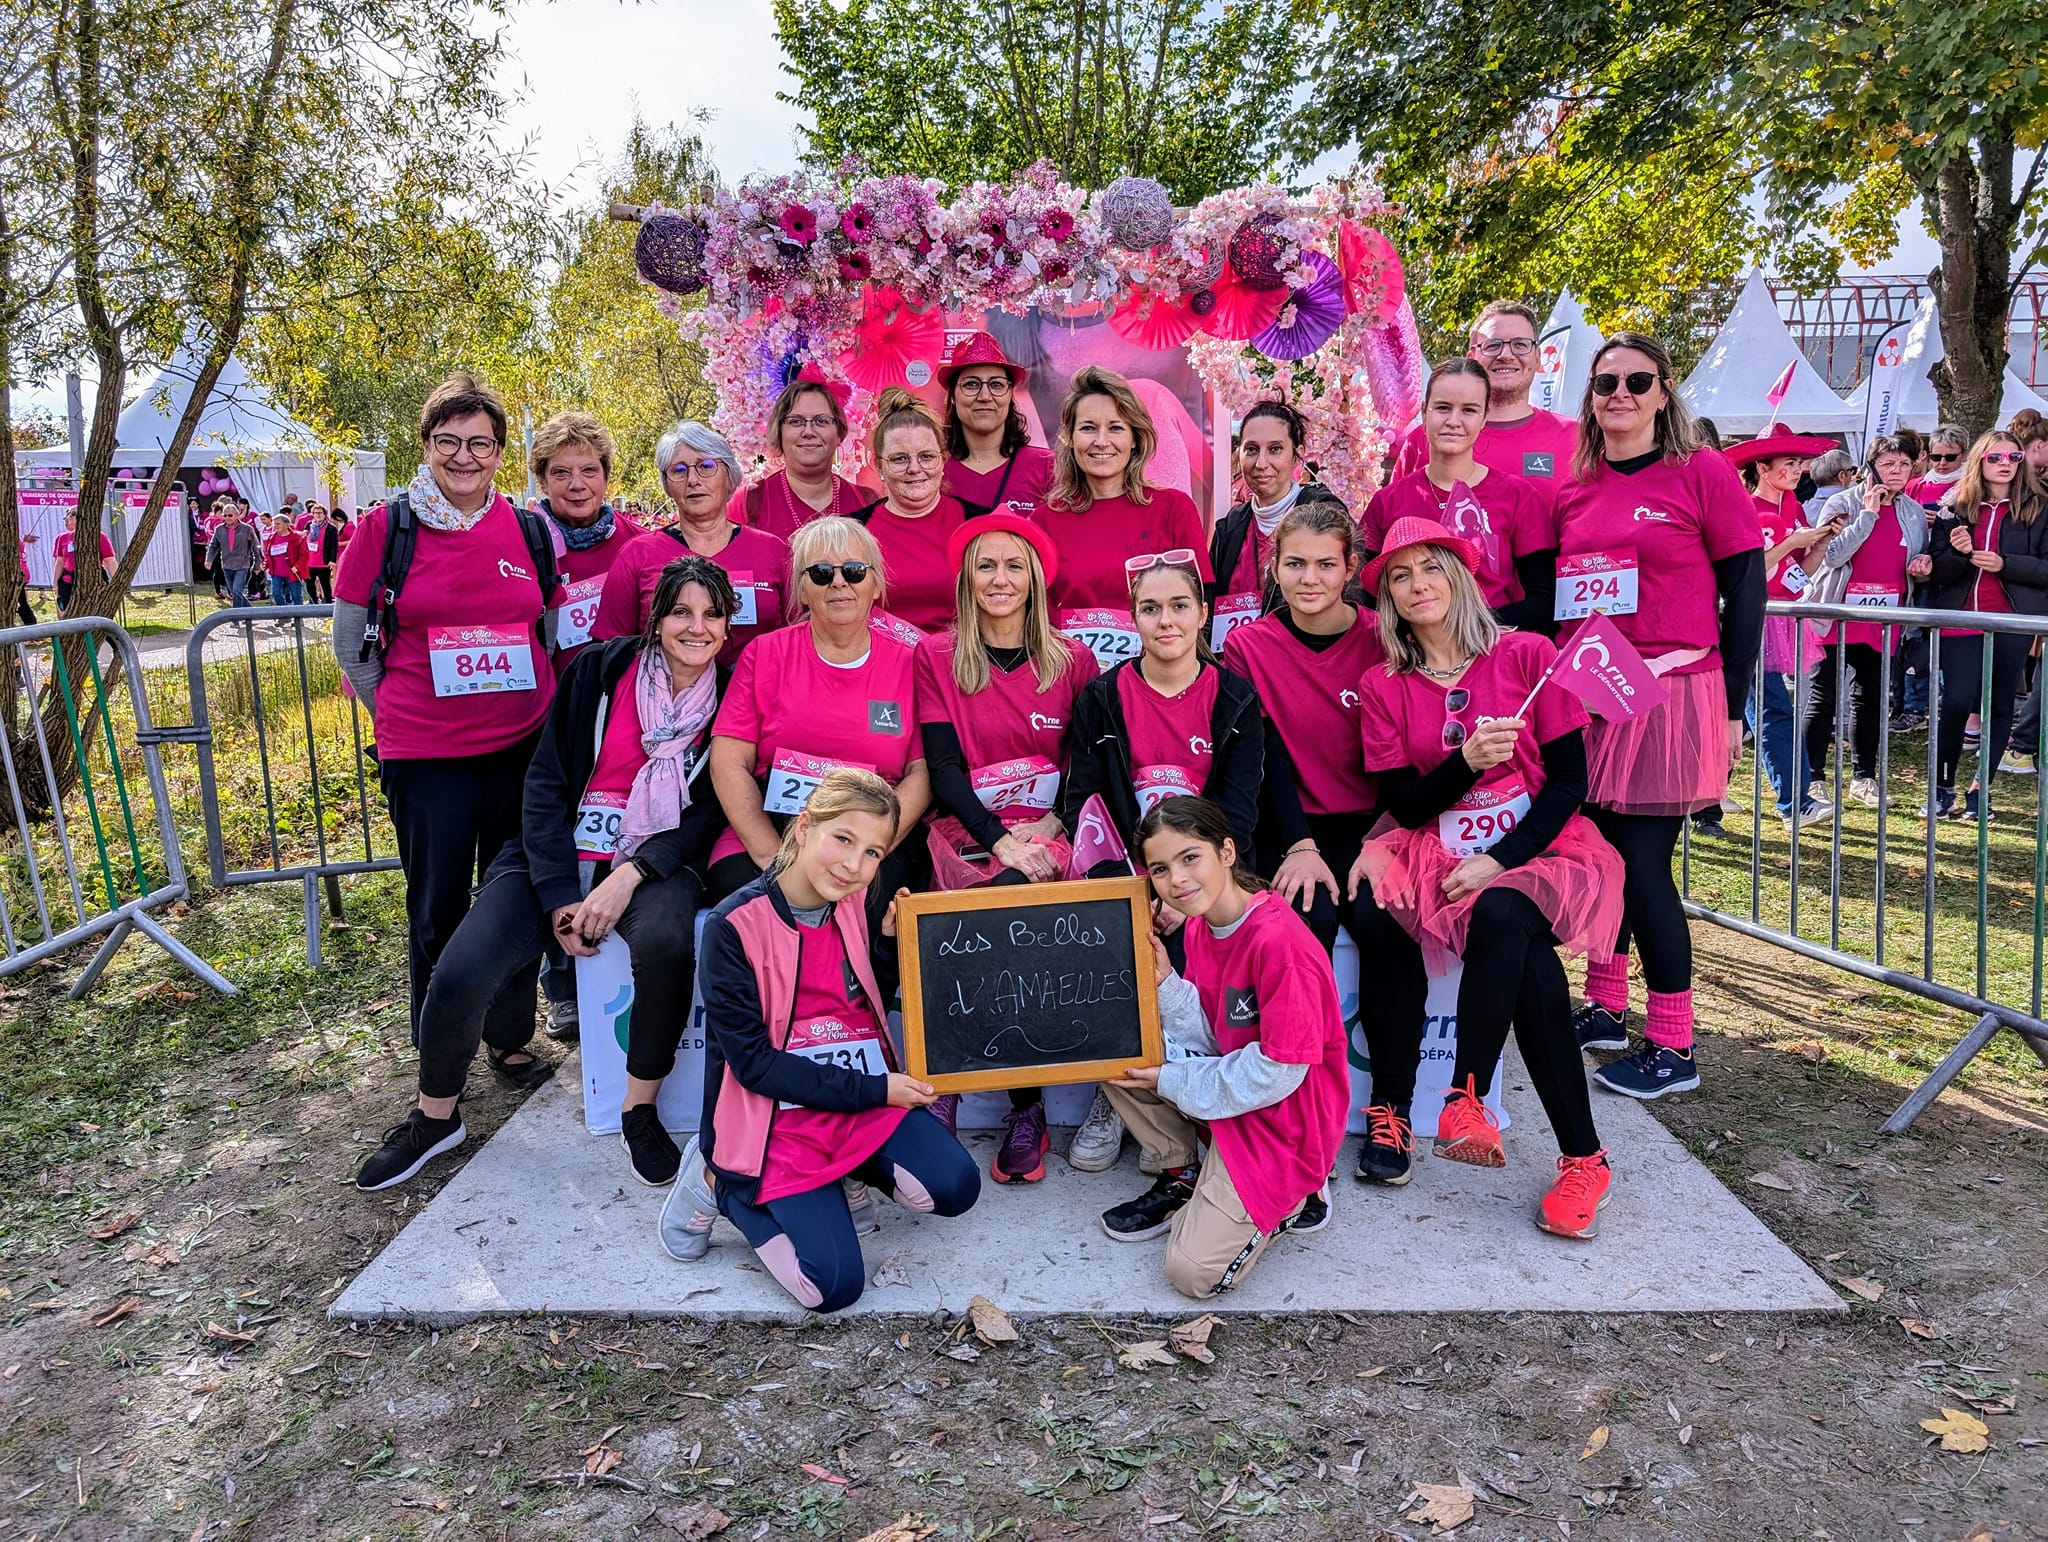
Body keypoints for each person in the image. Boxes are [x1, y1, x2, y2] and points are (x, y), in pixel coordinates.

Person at [355, 558, 736, 1191]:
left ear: (727, 625)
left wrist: (632, 874)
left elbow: (709, 813)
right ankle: (435, 1117)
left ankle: (639, 1109)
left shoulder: (730, 693)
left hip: (654, 860)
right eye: (680, 612)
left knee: (668, 946)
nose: (696, 628)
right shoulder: (600, 671)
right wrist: (560, 896)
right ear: (656, 618)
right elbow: (545, 783)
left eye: (711, 615)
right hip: (557, 850)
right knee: (461, 968)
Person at [1346, 518, 1621, 1234]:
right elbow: (1401, 803)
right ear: (1389, 601)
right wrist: (1463, 763)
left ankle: (1468, 1095)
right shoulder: (1384, 685)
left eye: (1430, 568)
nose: (1417, 585)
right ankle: (1581, 1157)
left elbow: (1569, 784)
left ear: (1460, 576)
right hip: (1433, 849)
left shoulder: (1527, 655)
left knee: (1504, 914)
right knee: (1510, 956)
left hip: (1540, 852)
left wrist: (1500, 860)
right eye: (1399, 577)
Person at [658, 769, 980, 1312]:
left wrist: (887, 946)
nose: (855, 866)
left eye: (874, 852)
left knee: (954, 1187)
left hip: (853, 1097)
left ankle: (845, 1171)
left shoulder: (856, 899)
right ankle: (718, 1184)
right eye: (844, 840)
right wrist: (879, 1091)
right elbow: (756, 1066)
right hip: (776, 1119)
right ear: (805, 827)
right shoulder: (732, 925)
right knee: (830, 1289)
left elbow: (861, 999)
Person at [1553, 333, 1764, 1100]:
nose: (1621, 393)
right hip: (1597, 691)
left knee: (1642, 866)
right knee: (1602, 855)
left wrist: (1735, 706)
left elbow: (1746, 590)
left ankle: (1674, 1044)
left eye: (1638, 381)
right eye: (1607, 381)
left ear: (1664, 391)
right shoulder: (1576, 483)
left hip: (1673, 695)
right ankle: (1607, 1005)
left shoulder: (1700, 471)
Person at [333, 373, 563, 1040]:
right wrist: (405, 712)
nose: (464, 457)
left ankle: (510, 1037)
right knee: (438, 907)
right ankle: (443, 1048)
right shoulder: (386, 528)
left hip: (520, 749)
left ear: (499, 454)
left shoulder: (527, 529)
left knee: (514, 901)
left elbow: (541, 633)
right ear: (427, 446)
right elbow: (352, 645)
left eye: (481, 444)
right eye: (448, 441)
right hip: (427, 757)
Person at [1092, 796, 1345, 1294]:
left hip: (1285, 1123)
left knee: (1191, 1273)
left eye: (1191, 858)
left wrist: (1172, 1078)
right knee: (1106, 1044)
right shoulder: (1204, 924)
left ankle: (1297, 1193)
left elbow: (1277, 1071)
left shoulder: (1278, 943)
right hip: (1241, 1094)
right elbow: (1217, 1032)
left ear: (1226, 852)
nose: (1178, 880)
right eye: (1161, 869)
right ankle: (1184, 1169)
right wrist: (1166, 984)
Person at [914, 514, 1099, 1180]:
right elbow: (942, 768)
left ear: (1036, 578)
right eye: (985, 565)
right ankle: (953, 1091)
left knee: (1011, 916)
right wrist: (999, 839)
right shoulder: (936, 655)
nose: (999, 579)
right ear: (967, 577)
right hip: (971, 832)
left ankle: (1026, 1109)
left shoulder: (1074, 659)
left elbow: (1085, 764)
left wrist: (1051, 823)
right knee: (980, 917)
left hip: (1049, 833)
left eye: (1013, 565)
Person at [706, 517, 931, 915]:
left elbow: (921, 771)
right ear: (803, 591)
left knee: (878, 905)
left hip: (874, 837)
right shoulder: (764, 654)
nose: (839, 583)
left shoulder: (912, 662)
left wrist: (866, 851)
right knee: (751, 903)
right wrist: (776, 860)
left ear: (876, 585)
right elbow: (728, 762)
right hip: (773, 830)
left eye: (855, 571)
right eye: (822, 573)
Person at [1221, 499, 1383, 955]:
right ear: (1274, 567)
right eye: (1295, 563)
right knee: (1308, 916)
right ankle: (1304, 1031)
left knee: (1381, 920)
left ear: (1350, 568)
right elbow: (1262, 755)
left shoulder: (1383, 639)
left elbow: (1399, 754)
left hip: (1368, 823)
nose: (1309, 579)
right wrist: (1299, 845)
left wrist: (1379, 842)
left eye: (1325, 564)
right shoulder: (1247, 646)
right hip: (1285, 820)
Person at [1062, 552, 1263, 874]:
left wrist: (1188, 885)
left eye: (1180, 606)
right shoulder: (1100, 697)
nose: (1165, 620)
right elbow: (1084, 808)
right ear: (1134, 618)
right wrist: (1128, 885)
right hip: (1126, 875)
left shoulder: (1236, 699)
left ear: (1202, 614)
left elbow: (1238, 813)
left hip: (1208, 877)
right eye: (1151, 609)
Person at [1032, 366, 1213, 666]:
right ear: (1071, 439)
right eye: (1088, 428)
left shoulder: (1173, 509)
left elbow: (1198, 607)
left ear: (1134, 438)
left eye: (1115, 428)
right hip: (1070, 682)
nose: (1101, 441)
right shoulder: (1044, 522)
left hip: (1156, 681)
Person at [1363, 358, 1558, 631]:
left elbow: (1545, 602)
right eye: (1443, 408)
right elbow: (1368, 601)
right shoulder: (1387, 503)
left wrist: (1468, 628)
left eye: (1468, 410)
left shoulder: (1518, 497)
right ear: (1424, 412)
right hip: (1415, 658)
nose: (1454, 421)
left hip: (1495, 651)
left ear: (1484, 418)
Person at [1922, 430, 2048, 820]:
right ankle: (1942, 786)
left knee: (1998, 704)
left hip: (2012, 619)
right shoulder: (1954, 506)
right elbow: (1939, 571)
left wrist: (2005, 563)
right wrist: (1959, 554)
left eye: (2012, 458)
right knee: (1957, 700)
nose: (2005, 465)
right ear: (1979, 460)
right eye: (1995, 458)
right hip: (1962, 617)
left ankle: (1981, 789)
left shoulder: (2040, 507)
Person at [593, 421, 791, 665]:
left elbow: (798, 636)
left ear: (730, 478)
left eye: (706, 466)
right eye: (679, 470)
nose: (693, 480)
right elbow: (614, 650)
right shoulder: (638, 554)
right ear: (667, 485)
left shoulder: (772, 551)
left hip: (759, 695)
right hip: (665, 698)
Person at [1804, 436, 1928, 806]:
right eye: (1888, 464)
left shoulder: (1913, 511)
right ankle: (1812, 778)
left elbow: (1915, 558)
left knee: (1870, 697)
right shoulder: (1842, 502)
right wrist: (1868, 516)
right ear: (1872, 466)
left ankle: (1863, 777)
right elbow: (1833, 555)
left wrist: (1922, 568)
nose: (1896, 472)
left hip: (1882, 615)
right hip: (1835, 610)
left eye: (1904, 465)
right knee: (1822, 695)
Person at [1726, 425, 1839, 828]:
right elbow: (1755, 571)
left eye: (1801, 463)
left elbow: (1796, 573)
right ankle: (1794, 801)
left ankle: (1710, 792)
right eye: (1790, 463)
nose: (1798, 470)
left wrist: (1821, 545)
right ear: (1762, 467)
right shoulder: (1748, 510)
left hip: (1781, 616)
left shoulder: (1792, 507)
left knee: (1754, 709)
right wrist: (1793, 543)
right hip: (1753, 618)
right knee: (1769, 709)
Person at [1390, 300, 1580, 496]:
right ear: (1471, 357)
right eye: (1492, 345)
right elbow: (1393, 516)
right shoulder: (1425, 439)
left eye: (1520, 344)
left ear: (1537, 356)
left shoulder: (1575, 438)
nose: (1506, 354)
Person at [1207, 401, 1349, 650]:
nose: (1261, 463)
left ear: (1297, 455)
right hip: (1236, 669)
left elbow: (1349, 600)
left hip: (1302, 665)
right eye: (1251, 449)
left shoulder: (1326, 515)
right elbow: (1208, 610)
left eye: (1275, 449)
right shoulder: (1229, 528)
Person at [851, 388, 975, 632]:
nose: (915, 469)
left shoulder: (977, 523)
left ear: (943, 460)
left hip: (962, 664)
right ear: (879, 466)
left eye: (927, 456)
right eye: (899, 459)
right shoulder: (854, 532)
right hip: (882, 666)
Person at [531, 411, 644, 669]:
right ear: (543, 482)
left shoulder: (641, 546)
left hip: (623, 698)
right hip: (550, 702)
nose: (577, 484)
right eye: (561, 473)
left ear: (606, 477)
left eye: (589, 470)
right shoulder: (523, 546)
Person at [727, 368, 867, 542]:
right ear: (779, 432)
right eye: (796, 421)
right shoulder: (749, 503)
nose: (809, 432)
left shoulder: (867, 502)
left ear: (839, 432)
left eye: (821, 421)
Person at [940, 330, 1054, 518]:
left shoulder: (1046, 467)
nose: (985, 396)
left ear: (1010, 394)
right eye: (971, 384)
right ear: (952, 395)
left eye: (996, 385)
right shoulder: (933, 470)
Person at [53, 509, 115, 614]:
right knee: (65, 612)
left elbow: (110, 561)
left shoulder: (100, 536)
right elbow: (59, 562)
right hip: (67, 582)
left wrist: (116, 584)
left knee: (90, 613)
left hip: (90, 583)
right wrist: (55, 584)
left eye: (74, 514)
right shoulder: (62, 538)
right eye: (69, 514)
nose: (70, 516)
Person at [206, 503, 259, 608]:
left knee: (236, 590)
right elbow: (213, 545)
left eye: (230, 515)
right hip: (226, 565)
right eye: (224, 515)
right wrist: (209, 559)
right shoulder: (219, 529)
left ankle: (236, 619)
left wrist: (257, 564)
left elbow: (255, 548)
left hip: (242, 565)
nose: (227, 518)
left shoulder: (247, 529)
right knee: (235, 593)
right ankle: (251, 612)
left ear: (237, 514)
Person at [1907, 423, 1969, 507]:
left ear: (1964, 455)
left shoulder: (1972, 486)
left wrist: (1948, 519)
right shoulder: (1914, 486)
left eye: (1950, 457)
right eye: (1936, 457)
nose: (1942, 462)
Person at [262, 512, 310, 606]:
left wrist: (297, 566)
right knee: (276, 593)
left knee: (296, 595)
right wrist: (265, 564)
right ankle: (283, 614)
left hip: (292, 572)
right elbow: (269, 554)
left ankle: (298, 616)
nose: (275, 526)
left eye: (278, 523)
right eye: (274, 524)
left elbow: (304, 555)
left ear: (287, 524)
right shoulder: (272, 538)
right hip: (276, 572)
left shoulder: (297, 538)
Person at [1802, 448, 1857, 520]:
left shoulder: (1803, 508)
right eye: (1851, 470)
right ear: (1842, 476)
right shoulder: (1852, 507)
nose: (1852, 475)